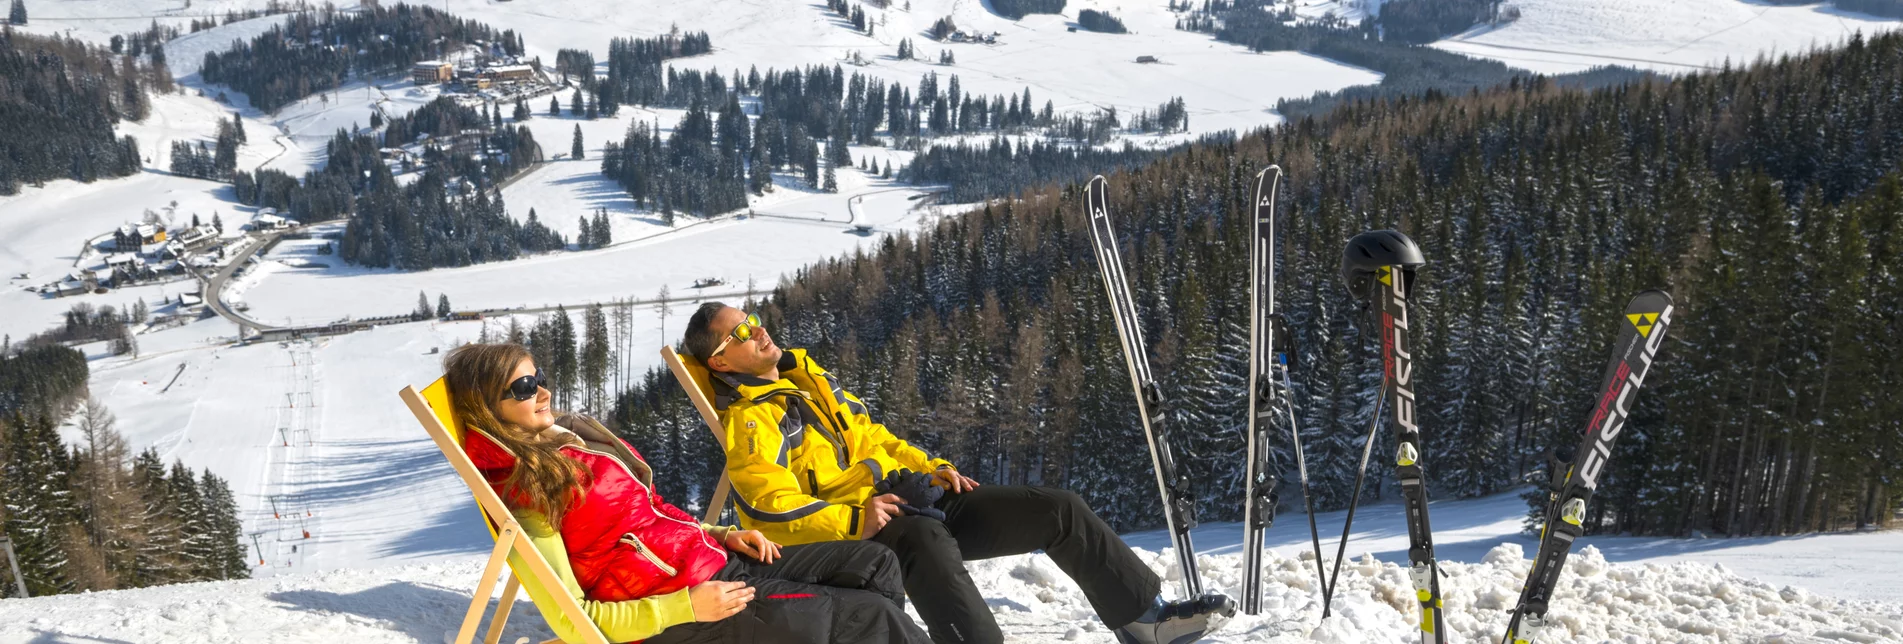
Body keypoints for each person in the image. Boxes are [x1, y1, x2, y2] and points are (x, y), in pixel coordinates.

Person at [683, 304, 1234, 644]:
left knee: (1056, 508)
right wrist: (853, 519)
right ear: (721, 364)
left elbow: (874, 438)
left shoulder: (807, 379)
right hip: (862, 529)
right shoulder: (754, 420)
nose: (759, 331)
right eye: (742, 333)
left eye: (754, 319)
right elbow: (769, 509)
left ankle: (1146, 623)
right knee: (925, 541)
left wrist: (934, 467)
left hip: (908, 495)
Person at [442, 343, 930, 644]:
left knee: (875, 563)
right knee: (873, 618)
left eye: (539, 378)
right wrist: (687, 608)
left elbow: (651, 516)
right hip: (687, 613)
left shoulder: (563, 449)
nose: (544, 392)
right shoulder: (527, 496)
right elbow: (575, 622)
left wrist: (720, 532)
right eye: (525, 387)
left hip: (710, 561)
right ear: (488, 410)